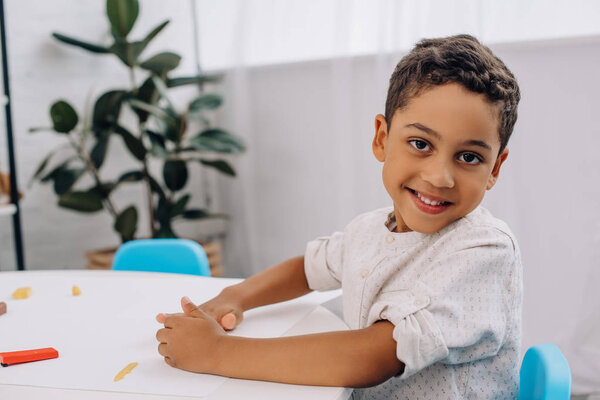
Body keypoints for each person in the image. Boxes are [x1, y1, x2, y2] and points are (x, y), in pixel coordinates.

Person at [155, 34, 523, 399]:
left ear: (494, 169)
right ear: (381, 138)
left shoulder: (484, 250)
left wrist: (217, 352)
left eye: (469, 157)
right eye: (421, 144)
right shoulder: (368, 230)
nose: (440, 176)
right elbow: (307, 268)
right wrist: (233, 297)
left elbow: (373, 356)